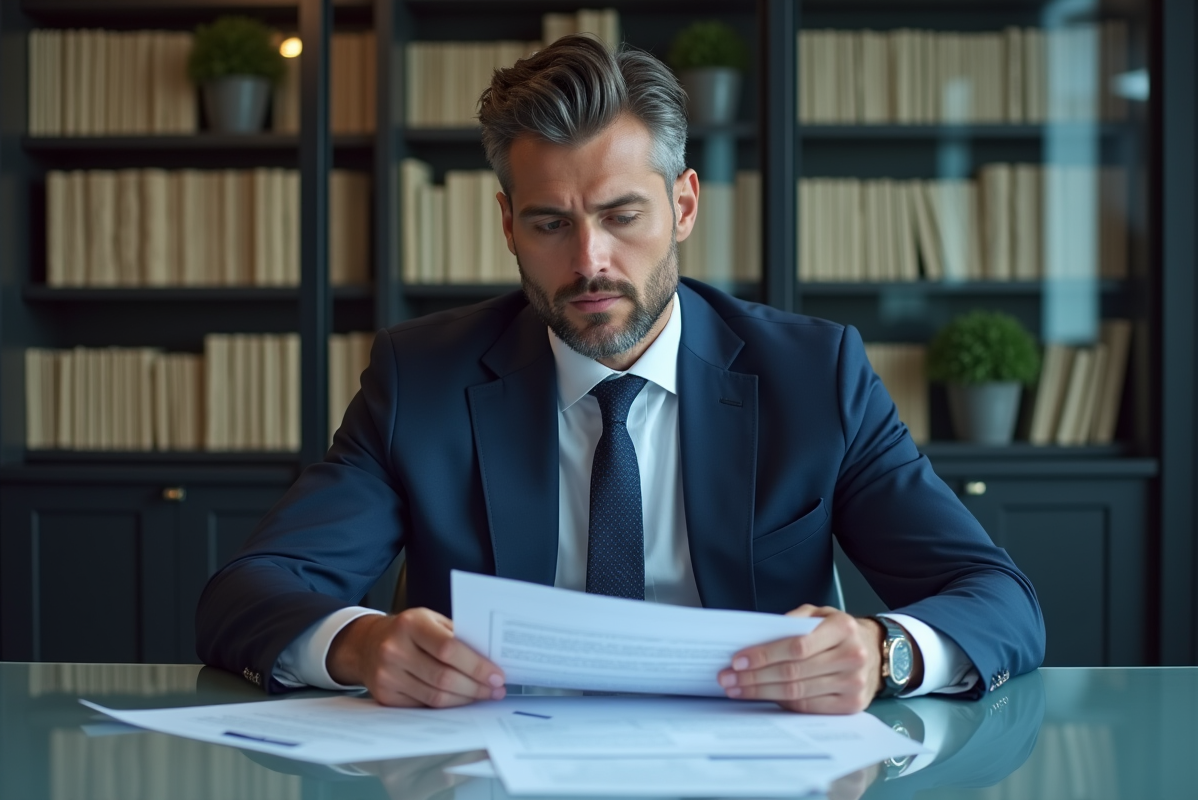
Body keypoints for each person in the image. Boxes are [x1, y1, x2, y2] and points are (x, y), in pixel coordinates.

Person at [197, 35, 1044, 713]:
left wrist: (885, 651)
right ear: (507, 224)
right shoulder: (421, 379)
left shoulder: (814, 375)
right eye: (549, 223)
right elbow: (248, 593)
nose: (589, 260)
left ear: (682, 206)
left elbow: (995, 597)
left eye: (621, 214)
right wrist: (358, 644)